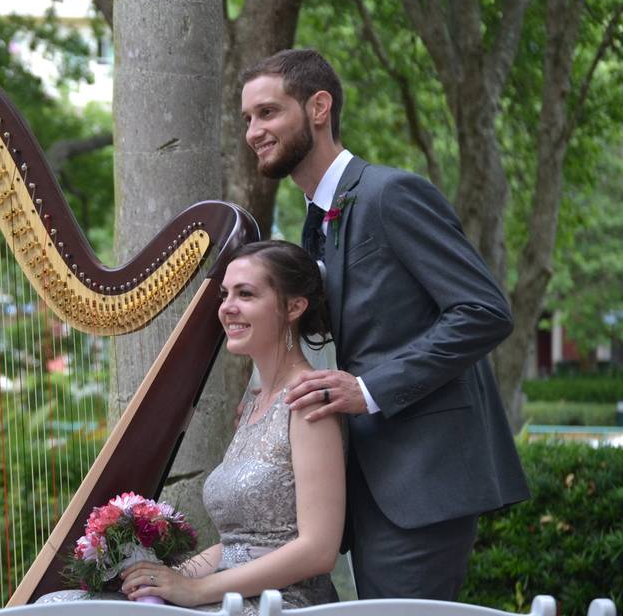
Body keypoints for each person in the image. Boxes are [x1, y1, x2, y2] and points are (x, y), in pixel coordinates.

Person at [239, 49, 530, 601]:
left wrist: (368, 389)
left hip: (424, 477)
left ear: (318, 107)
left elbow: (484, 311)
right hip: (369, 480)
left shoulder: (391, 194)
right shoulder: (314, 221)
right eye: (248, 119)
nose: (254, 130)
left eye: (269, 113)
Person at [39, 240, 345, 613]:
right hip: (224, 592)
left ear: (295, 306)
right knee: (60, 603)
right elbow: (235, 544)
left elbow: (319, 550)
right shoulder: (252, 404)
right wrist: (164, 577)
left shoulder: (308, 401)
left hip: (277, 603)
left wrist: (196, 591)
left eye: (246, 294)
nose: (227, 307)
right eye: (225, 294)